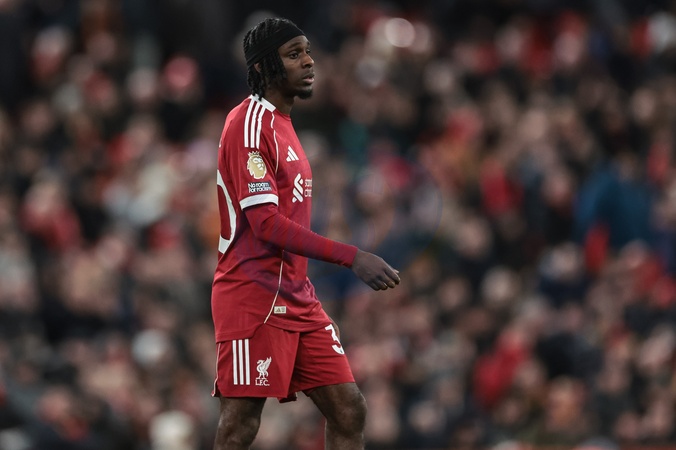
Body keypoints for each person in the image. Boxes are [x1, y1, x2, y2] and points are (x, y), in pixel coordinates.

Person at [210, 17, 401, 450]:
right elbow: (266, 224)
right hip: (253, 295)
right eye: (294, 54)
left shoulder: (284, 123)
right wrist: (352, 256)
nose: (309, 61)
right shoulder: (248, 124)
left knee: (349, 409)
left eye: (308, 51)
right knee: (240, 425)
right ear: (262, 68)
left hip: (297, 295)